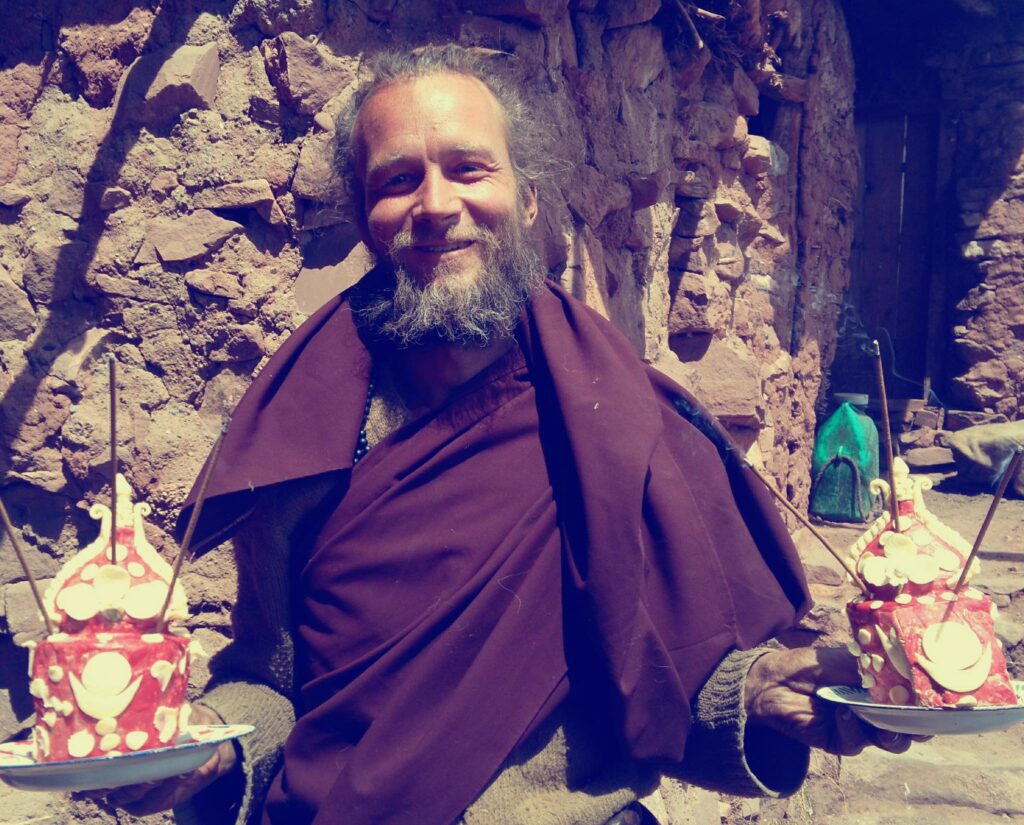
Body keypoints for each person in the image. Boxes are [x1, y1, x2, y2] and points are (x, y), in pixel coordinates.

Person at [98, 45, 916, 825]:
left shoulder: (615, 412)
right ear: (367, 218)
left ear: (526, 199)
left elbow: (667, 669)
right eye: (398, 180)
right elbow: (269, 683)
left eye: (469, 168)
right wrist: (211, 743)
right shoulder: (310, 427)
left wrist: (761, 688)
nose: (435, 205)